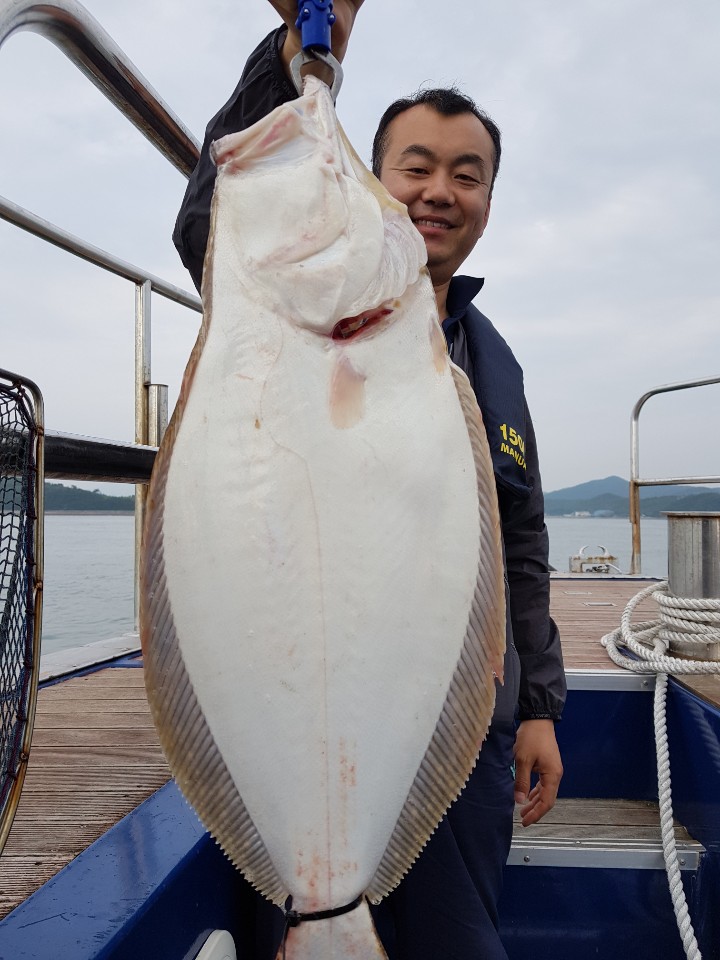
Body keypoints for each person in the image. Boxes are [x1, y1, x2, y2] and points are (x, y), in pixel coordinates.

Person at [173, 3, 566, 957]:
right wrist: (297, 60)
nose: (439, 191)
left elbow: (519, 541)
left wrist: (543, 705)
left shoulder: (494, 361)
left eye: (466, 176)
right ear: (382, 186)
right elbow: (214, 214)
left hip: (460, 728)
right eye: (413, 167)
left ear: (488, 200)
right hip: (305, 720)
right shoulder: (271, 309)